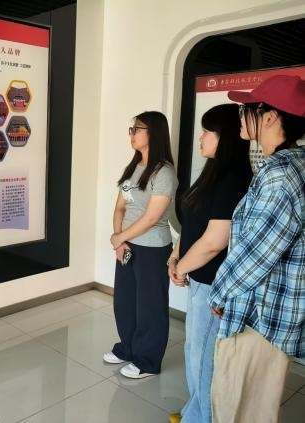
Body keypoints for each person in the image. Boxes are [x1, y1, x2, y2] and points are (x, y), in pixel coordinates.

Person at [208, 75, 305, 423]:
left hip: (258, 318)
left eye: (246, 108)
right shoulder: (297, 164)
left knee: (237, 409)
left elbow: (258, 254)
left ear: (270, 117)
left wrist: (219, 292)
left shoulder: (280, 176)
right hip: (276, 313)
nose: (241, 115)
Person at [167, 104, 252, 423]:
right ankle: (195, 412)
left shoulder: (234, 180)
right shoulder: (211, 175)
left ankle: (201, 418)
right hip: (198, 279)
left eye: (207, 132)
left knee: (205, 361)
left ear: (225, 137)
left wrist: (181, 267)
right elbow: (192, 224)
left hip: (214, 285)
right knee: (194, 350)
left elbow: (215, 241)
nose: (201, 138)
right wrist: (175, 256)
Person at [104, 111, 178, 379]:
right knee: (125, 302)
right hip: (127, 246)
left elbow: (151, 218)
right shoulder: (133, 168)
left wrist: (120, 237)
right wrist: (119, 239)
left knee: (150, 306)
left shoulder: (164, 172)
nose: (132, 134)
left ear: (153, 133)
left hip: (152, 249)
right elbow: (120, 207)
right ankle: (128, 348)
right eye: (131, 129)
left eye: (137, 129)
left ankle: (147, 361)